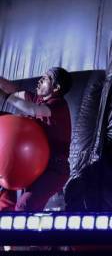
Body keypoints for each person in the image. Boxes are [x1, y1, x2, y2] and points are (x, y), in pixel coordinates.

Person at [0, 67, 72, 211]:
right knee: (5, 202)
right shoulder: (38, 100)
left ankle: (25, 233)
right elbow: (15, 90)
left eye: (45, 79)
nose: (40, 80)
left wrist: (5, 97)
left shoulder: (58, 105)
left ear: (56, 88)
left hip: (54, 169)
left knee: (25, 206)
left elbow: (34, 110)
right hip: (31, 164)